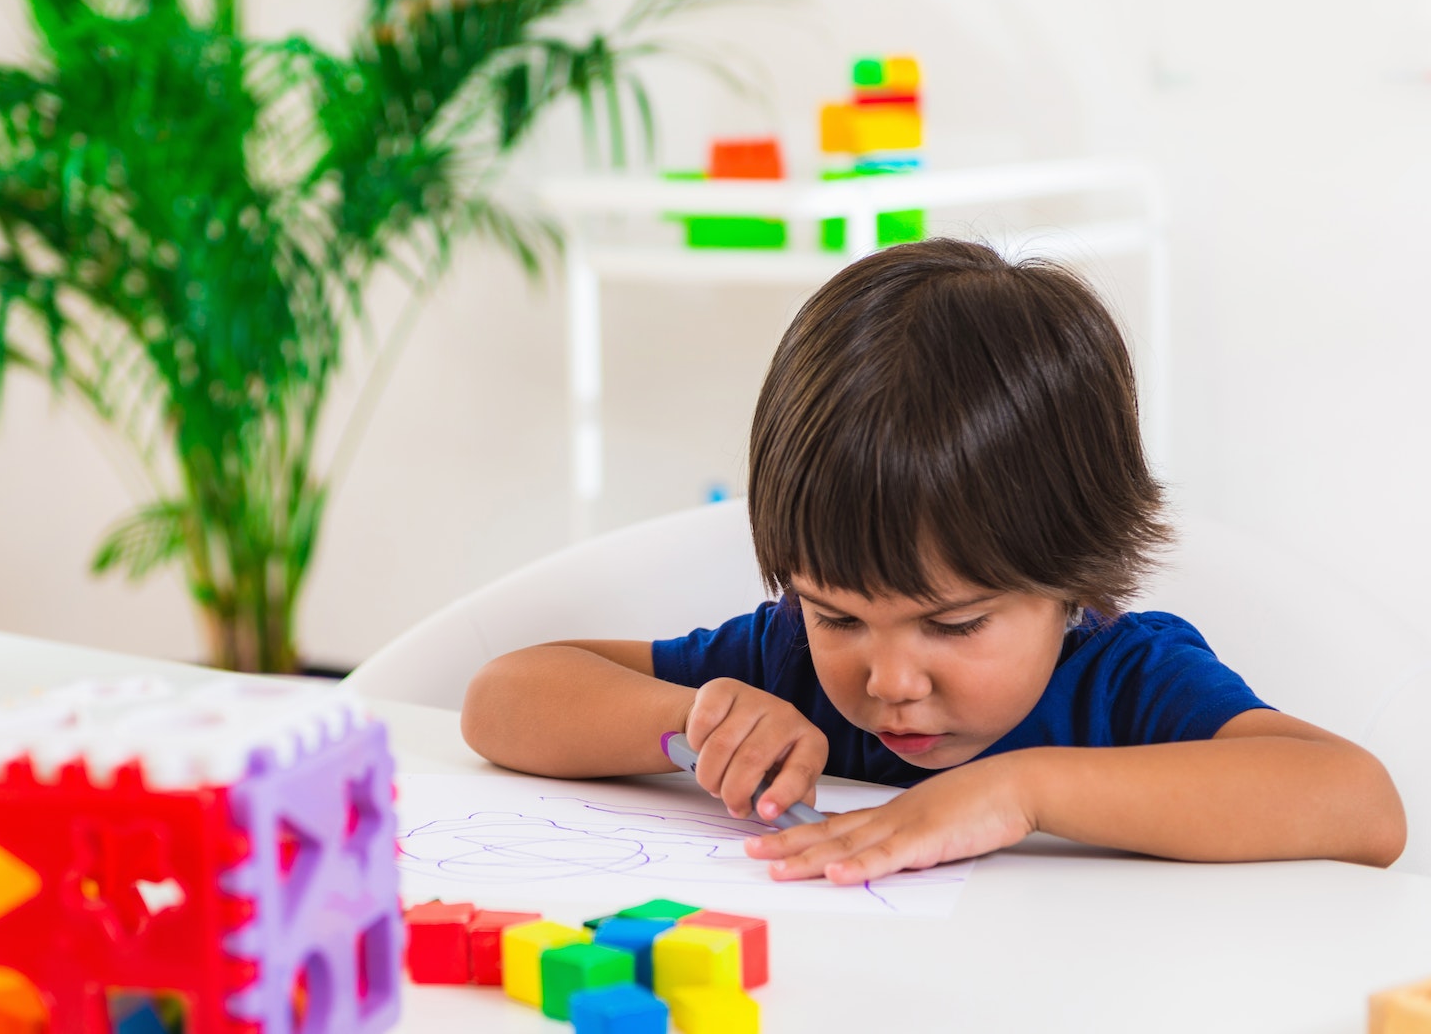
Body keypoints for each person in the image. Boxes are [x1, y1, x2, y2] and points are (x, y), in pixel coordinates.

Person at [462, 239, 1406, 881]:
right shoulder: (789, 663)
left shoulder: (1127, 681)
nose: (888, 679)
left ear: (1070, 579)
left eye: (953, 623)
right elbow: (503, 698)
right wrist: (690, 720)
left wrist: (1022, 791)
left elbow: (1361, 806)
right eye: (838, 613)